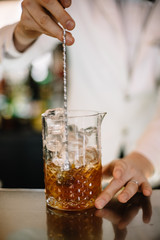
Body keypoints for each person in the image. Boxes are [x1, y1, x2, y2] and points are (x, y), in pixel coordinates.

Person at [0, 0, 160, 209]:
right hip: (82, 172)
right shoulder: (72, 1)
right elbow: (10, 59)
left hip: (151, 168)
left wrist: (145, 157)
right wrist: (22, 34)